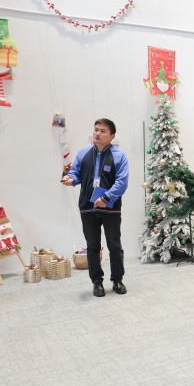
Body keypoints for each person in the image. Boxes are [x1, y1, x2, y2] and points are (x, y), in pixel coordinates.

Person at [62, 118, 129, 298]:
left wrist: (106, 198)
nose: (97, 133)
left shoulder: (119, 156)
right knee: (92, 246)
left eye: (102, 131)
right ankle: (97, 282)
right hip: (87, 207)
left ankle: (117, 280)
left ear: (112, 136)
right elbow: (75, 173)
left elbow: (122, 182)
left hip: (110, 207)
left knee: (114, 245)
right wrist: (70, 179)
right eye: (96, 129)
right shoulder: (83, 153)